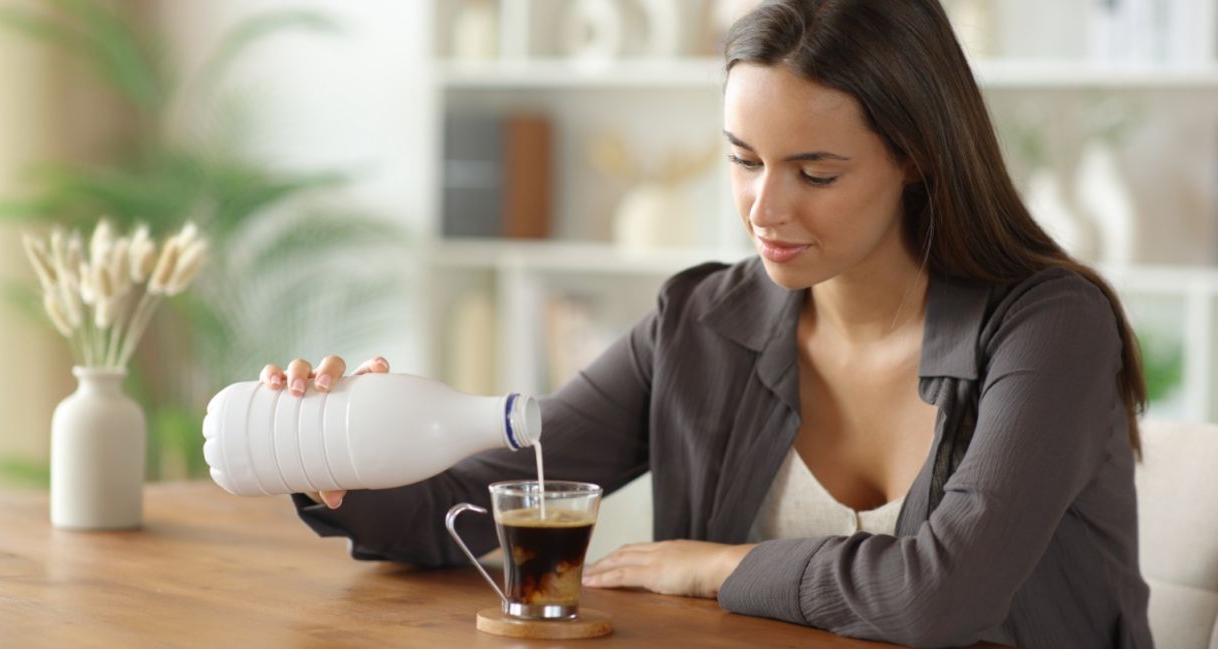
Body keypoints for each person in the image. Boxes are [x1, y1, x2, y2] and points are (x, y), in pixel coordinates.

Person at [257, 1, 1152, 647]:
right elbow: (470, 505)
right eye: (743, 159)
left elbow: (940, 598)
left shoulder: (1051, 329)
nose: (765, 207)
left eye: (816, 171)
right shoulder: (700, 322)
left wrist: (716, 565)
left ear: (916, 156)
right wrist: (336, 457)